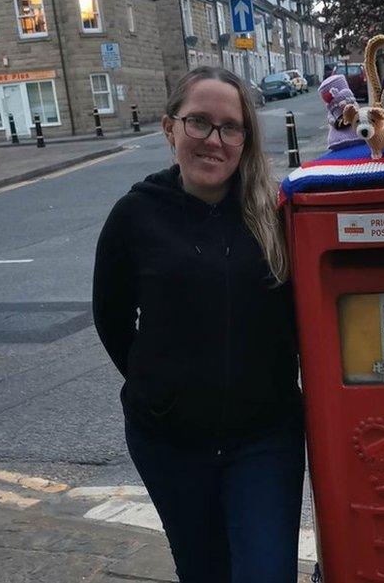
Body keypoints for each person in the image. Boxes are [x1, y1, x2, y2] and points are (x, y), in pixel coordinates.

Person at [92, 66, 304, 583]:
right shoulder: (136, 215)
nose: (215, 140)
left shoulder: (277, 212)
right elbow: (112, 318)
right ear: (170, 129)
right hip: (169, 442)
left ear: (245, 138)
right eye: (199, 123)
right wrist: (160, 389)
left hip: (264, 439)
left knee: (266, 572)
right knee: (202, 571)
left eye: (231, 127)